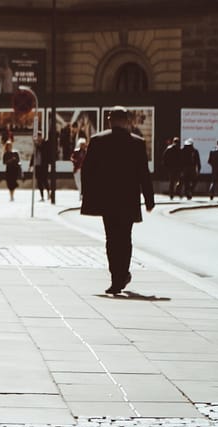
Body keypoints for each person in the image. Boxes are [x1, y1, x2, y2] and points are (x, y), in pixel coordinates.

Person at [81, 105, 155, 295]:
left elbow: (87, 171)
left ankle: (116, 277)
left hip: (107, 200)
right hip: (128, 199)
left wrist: (87, 195)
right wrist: (149, 199)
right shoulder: (137, 143)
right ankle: (122, 274)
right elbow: (143, 174)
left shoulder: (98, 141)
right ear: (127, 121)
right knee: (125, 238)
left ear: (109, 121)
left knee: (111, 239)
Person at [30, 135, 51, 201]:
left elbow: (45, 152)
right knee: (39, 181)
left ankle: (48, 192)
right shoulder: (36, 145)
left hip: (44, 165)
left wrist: (37, 145)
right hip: (37, 165)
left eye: (39, 137)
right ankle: (42, 196)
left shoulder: (45, 144)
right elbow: (33, 155)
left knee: (45, 180)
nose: (38, 139)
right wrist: (31, 165)